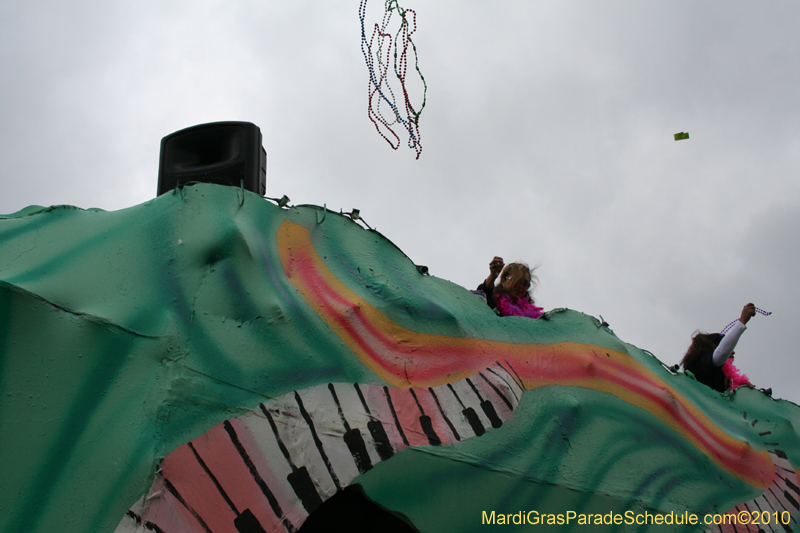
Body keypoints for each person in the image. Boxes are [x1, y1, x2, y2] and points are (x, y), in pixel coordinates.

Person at [681, 303, 757, 393]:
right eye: (730, 349)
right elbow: (721, 353)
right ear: (715, 347)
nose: (733, 352)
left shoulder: (724, 378)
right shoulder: (702, 364)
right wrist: (742, 322)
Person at [476, 256, 543, 318]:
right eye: (516, 281)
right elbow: (482, 296)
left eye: (525, 284)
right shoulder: (492, 300)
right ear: (503, 280)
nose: (520, 286)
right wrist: (492, 277)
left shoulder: (530, 314)